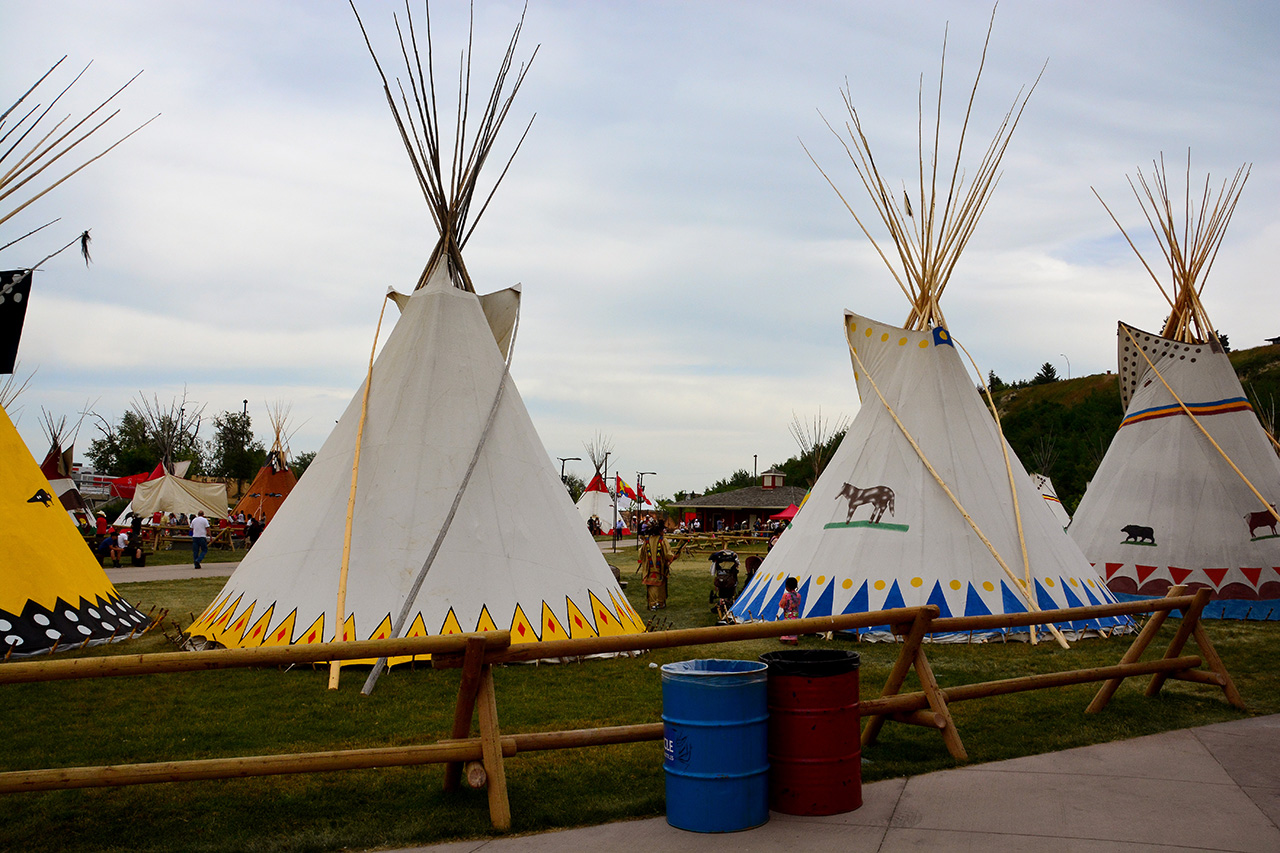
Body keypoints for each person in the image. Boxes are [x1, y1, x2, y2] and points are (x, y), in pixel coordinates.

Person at [778, 576, 801, 644]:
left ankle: (784, 638)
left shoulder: (786, 595)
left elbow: (782, 604)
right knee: (794, 626)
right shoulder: (798, 595)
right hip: (795, 613)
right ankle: (794, 639)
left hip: (788, 614)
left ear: (787, 587)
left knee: (786, 626)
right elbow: (798, 603)